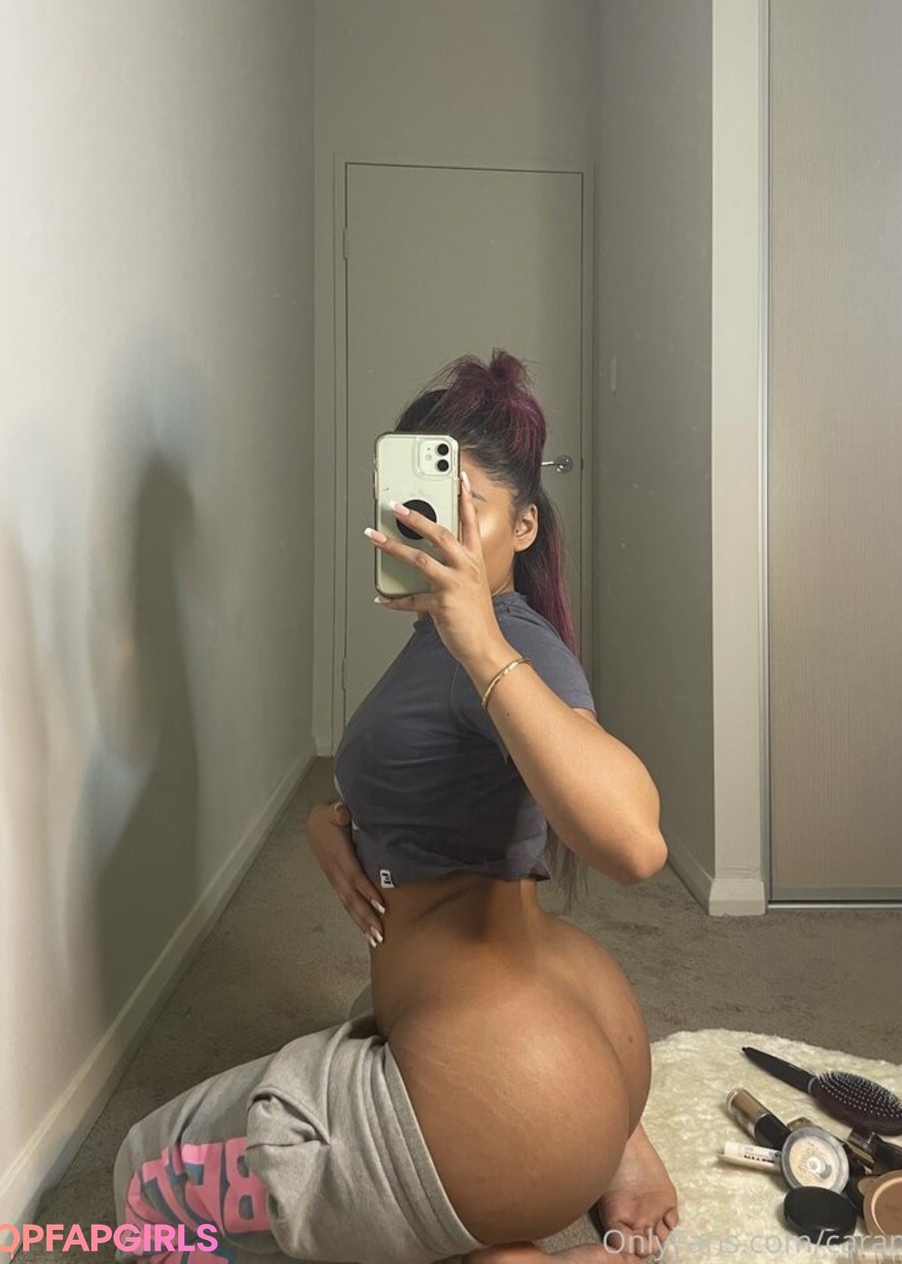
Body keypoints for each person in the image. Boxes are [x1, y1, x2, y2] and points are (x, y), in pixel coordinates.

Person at [113, 351, 678, 1264]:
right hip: (570, 1029)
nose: (427, 533)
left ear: (525, 526)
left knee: (146, 1184)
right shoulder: (452, 645)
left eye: (461, 511)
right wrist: (330, 820)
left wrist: (478, 639)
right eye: (414, 507)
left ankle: (539, 1184)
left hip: (520, 1081)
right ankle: (590, 1146)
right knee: (364, 1017)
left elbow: (634, 842)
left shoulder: (501, 646)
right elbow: (440, 776)